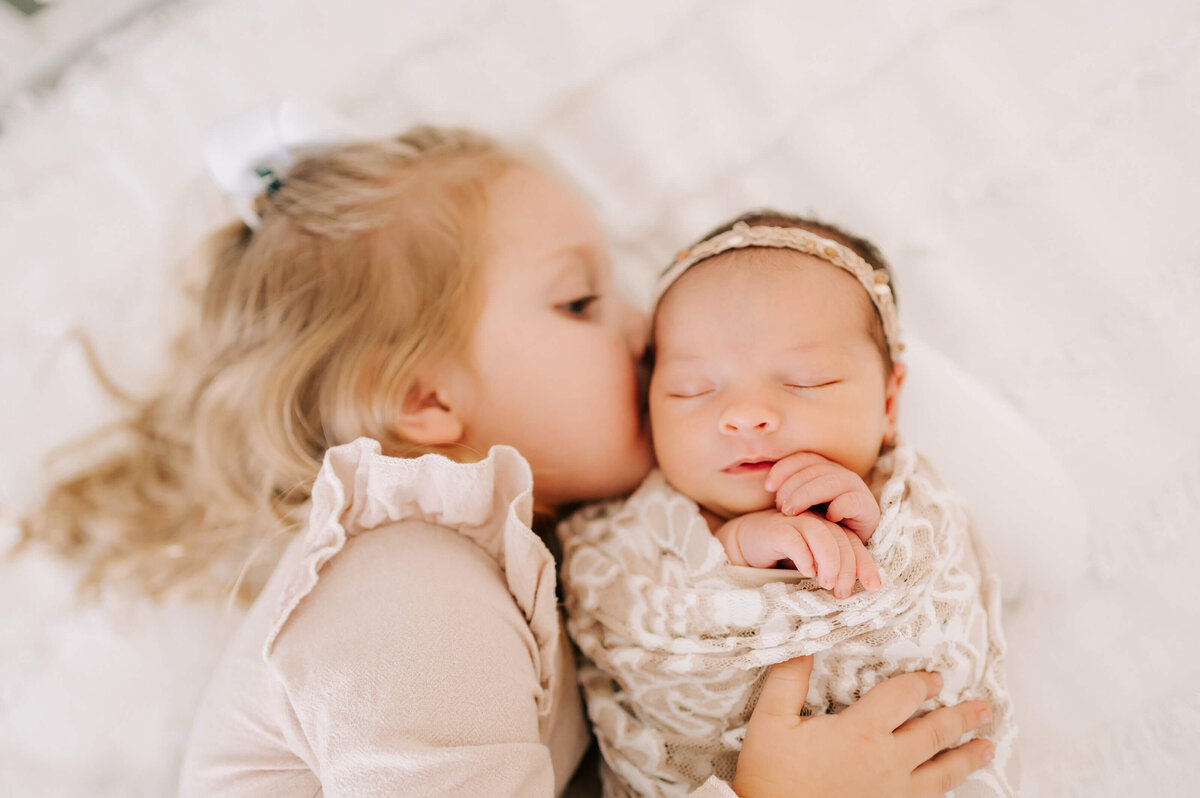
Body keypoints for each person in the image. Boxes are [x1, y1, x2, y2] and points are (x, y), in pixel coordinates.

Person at [18, 127, 995, 796]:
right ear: (429, 401)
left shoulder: (544, 567)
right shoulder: (407, 590)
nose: (649, 325)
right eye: (580, 302)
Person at [559, 211, 1017, 796]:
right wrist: (737, 549)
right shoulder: (630, 533)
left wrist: (876, 542)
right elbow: (628, 606)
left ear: (888, 400)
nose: (745, 413)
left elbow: (934, 607)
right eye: (693, 388)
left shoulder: (911, 508)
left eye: (805, 381)